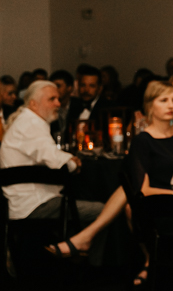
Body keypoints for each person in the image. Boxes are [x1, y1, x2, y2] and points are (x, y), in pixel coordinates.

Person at [0, 81, 126, 260]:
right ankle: (90, 261)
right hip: (33, 204)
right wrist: (72, 162)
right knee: (103, 210)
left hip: (24, 200)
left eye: (58, 99)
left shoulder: (27, 122)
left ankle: (74, 252)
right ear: (34, 104)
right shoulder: (31, 125)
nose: (58, 104)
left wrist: (67, 160)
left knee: (82, 199)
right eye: (52, 99)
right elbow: (56, 160)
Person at [123, 80, 173, 285]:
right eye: (164, 100)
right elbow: (143, 190)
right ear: (150, 104)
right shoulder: (143, 141)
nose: (171, 105)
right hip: (162, 207)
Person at [68, 64, 110, 131]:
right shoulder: (73, 106)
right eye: (83, 85)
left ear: (100, 88)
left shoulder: (106, 108)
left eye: (92, 86)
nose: (86, 90)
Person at [49, 69, 83, 136]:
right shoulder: (49, 106)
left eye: (58, 86)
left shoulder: (79, 106)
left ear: (69, 88)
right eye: (52, 87)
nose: (54, 89)